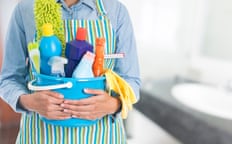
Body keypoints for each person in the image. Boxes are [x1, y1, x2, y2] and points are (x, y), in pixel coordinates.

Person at [0, 0, 140, 143]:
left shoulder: (115, 11)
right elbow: (8, 79)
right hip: (41, 135)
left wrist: (113, 104)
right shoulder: (26, 9)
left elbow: (131, 81)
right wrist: (28, 102)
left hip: (101, 136)